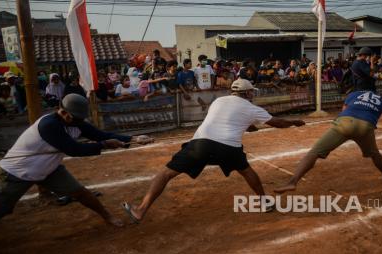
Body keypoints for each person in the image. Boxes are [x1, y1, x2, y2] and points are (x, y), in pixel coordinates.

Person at [122, 78, 305, 223]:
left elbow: (228, 119)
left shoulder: (219, 101)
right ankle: (264, 202)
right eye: (251, 91)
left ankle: (141, 210)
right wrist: (294, 123)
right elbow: (278, 123)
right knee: (246, 171)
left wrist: (249, 126)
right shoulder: (251, 108)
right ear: (247, 92)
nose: (252, 94)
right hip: (228, 147)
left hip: (201, 143)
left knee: (166, 173)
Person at [0, 94, 154, 237]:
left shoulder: (76, 121)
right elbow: (74, 149)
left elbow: (100, 134)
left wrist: (134, 138)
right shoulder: (49, 125)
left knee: (80, 192)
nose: (80, 122)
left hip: (48, 169)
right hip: (17, 173)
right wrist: (105, 146)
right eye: (76, 118)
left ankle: (107, 216)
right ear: (63, 112)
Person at [274, 90, 382, 194]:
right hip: (365, 126)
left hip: (344, 123)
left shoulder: (353, 94)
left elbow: (344, 110)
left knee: (314, 153)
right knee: (375, 154)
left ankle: (292, 182)